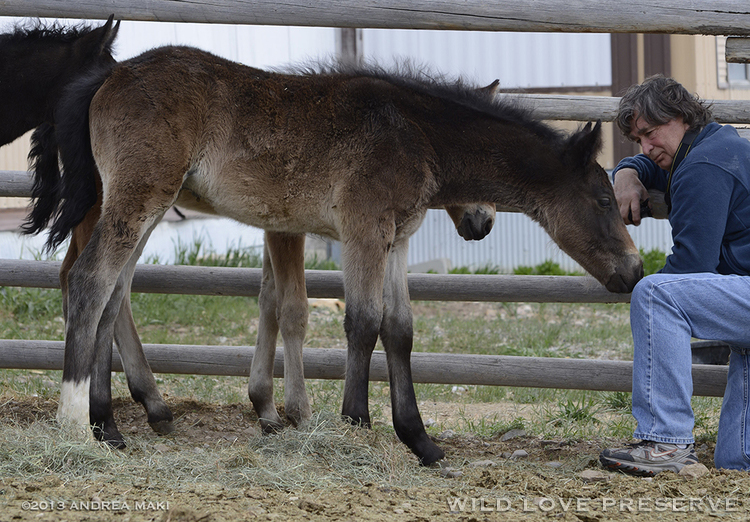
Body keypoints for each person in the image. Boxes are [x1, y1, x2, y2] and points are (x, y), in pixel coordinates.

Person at [599, 75, 750, 476]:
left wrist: (649, 321)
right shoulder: (714, 144)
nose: (647, 147)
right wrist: (627, 172)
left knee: (657, 295)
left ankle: (666, 443)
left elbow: (691, 267)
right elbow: (650, 162)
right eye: (638, 141)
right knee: (737, 461)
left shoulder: (702, 165)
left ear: (680, 117)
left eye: (650, 133)